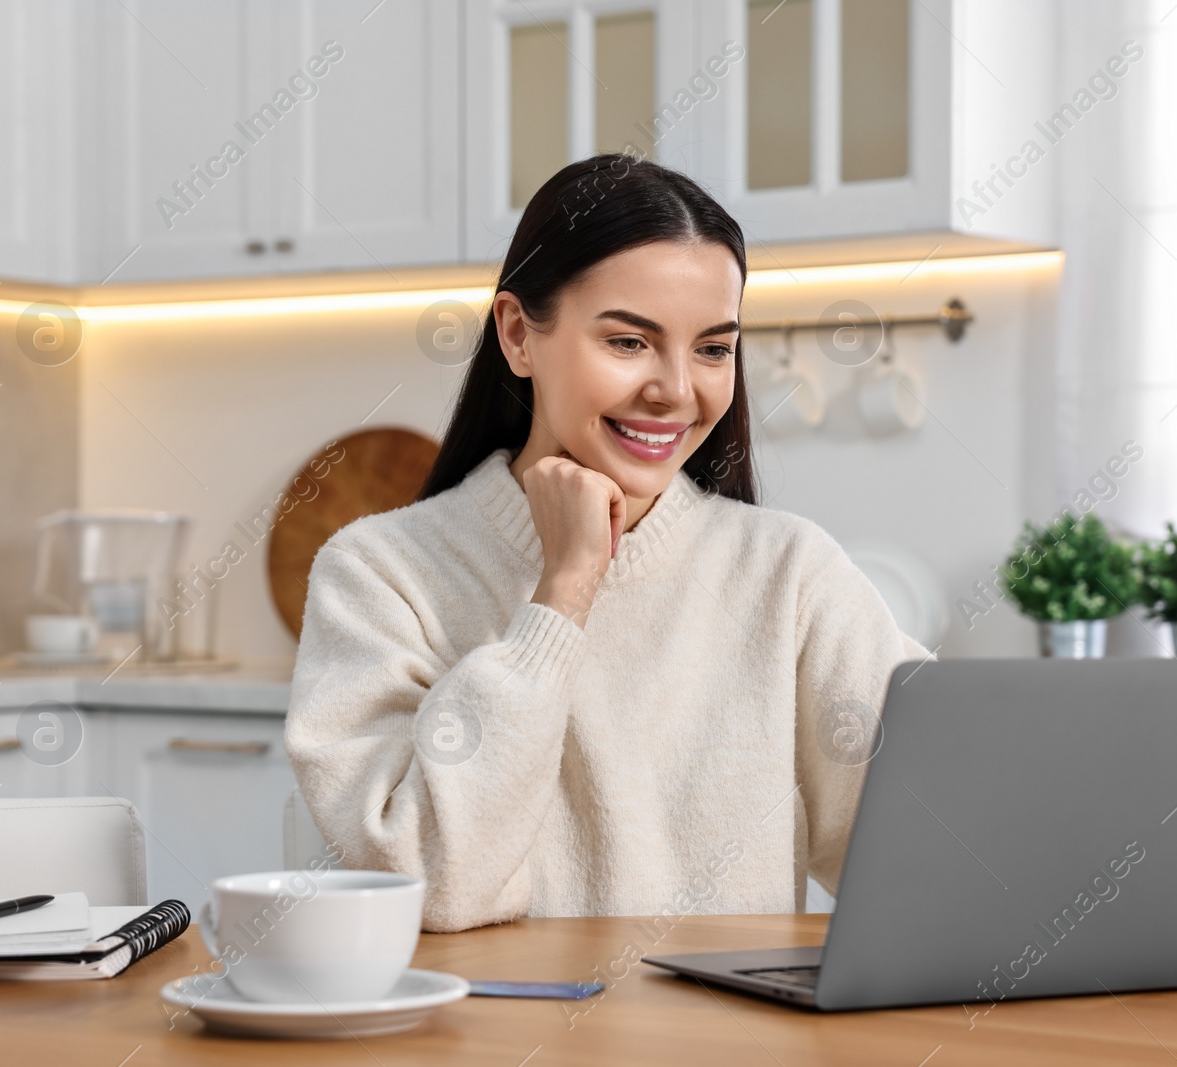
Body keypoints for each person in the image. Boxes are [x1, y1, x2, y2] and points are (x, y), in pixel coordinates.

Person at [286, 154, 929, 933]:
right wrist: (563, 593)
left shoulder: (790, 573)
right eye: (629, 342)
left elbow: (932, 848)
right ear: (520, 336)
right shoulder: (379, 574)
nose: (677, 390)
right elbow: (436, 882)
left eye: (713, 349)